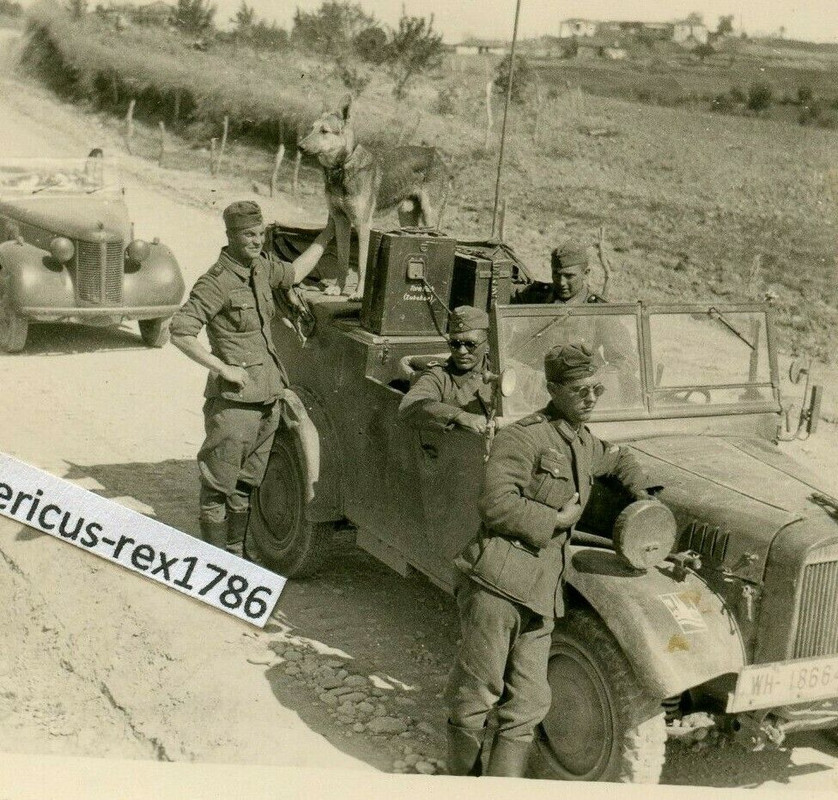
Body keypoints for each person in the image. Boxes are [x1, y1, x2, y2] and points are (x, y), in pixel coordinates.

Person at [444, 342, 659, 778]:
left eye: (597, 389)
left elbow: (619, 460)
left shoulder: (581, 439)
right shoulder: (522, 437)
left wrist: (642, 498)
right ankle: (458, 782)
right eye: (581, 390)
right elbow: (495, 504)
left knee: (529, 701)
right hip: (497, 588)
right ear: (553, 389)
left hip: (542, 593)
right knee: (477, 693)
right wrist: (555, 518)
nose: (591, 398)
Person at [169, 201, 333, 555]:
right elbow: (180, 332)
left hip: (268, 399)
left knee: (245, 487)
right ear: (231, 235)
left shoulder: (260, 268)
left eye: (260, 234)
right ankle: (214, 563)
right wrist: (223, 369)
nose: (257, 241)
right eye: (249, 235)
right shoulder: (216, 282)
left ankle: (235, 556)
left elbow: (294, 273)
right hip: (234, 407)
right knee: (218, 489)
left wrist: (330, 231)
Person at [398, 306, 494, 434]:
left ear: (487, 344)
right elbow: (409, 405)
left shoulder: (502, 370)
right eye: (455, 344)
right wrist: (460, 416)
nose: (461, 351)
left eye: (470, 344)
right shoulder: (439, 375)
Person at [512, 239, 605, 306]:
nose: (561, 283)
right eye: (556, 274)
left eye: (569, 276)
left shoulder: (598, 308)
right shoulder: (538, 296)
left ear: (586, 273)